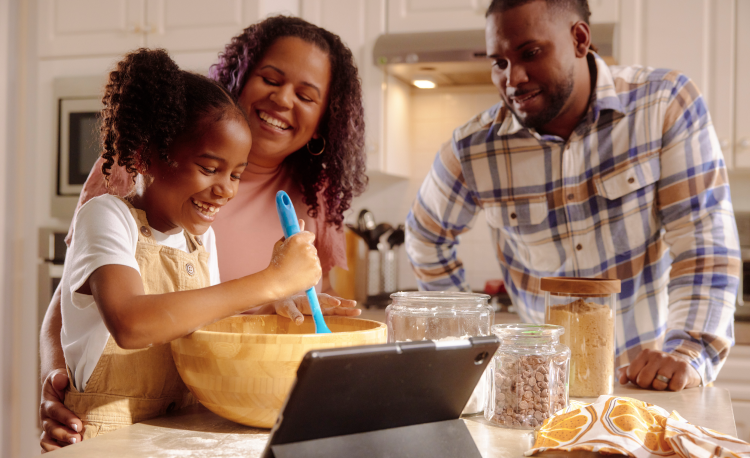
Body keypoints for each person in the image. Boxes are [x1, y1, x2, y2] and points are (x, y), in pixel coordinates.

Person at [39, 16, 367, 451]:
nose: (284, 100)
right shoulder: (123, 180)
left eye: (306, 95)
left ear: (325, 117)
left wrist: (274, 306)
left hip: (206, 421)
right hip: (109, 425)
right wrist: (56, 380)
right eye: (270, 78)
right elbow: (77, 305)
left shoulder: (312, 199)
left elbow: (212, 320)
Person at [406, 0, 740, 394]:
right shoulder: (474, 148)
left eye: (530, 53)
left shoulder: (663, 103)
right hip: (543, 391)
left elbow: (703, 245)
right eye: (499, 62)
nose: (513, 79)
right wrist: (467, 341)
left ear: (580, 39)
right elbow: (425, 236)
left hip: (648, 383)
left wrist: (687, 352)